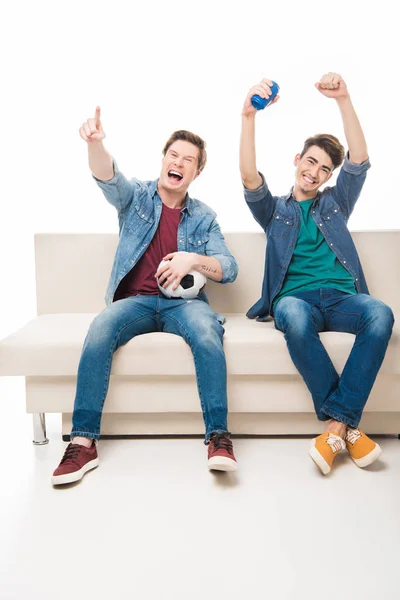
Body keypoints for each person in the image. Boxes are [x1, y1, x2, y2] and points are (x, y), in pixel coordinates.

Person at [52, 108, 238, 485]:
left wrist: (192, 259)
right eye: (174, 155)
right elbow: (108, 177)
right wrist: (95, 144)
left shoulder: (203, 217)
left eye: (189, 160)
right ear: (164, 159)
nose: (179, 163)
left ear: (197, 173)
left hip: (183, 306)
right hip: (134, 302)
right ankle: (83, 442)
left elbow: (228, 268)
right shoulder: (137, 197)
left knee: (207, 333)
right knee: (101, 328)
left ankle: (218, 437)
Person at [240, 73, 394, 475]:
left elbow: (359, 160)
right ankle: (348, 427)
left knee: (381, 314)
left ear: (328, 177)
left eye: (325, 168)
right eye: (311, 161)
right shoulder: (274, 211)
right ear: (297, 160)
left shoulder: (336, 203)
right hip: (298, 301)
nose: (315, 172)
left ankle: (336, 427)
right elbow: (248, 177)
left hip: (344, 298)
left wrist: (343, 98)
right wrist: (248, 117)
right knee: (289, 315)